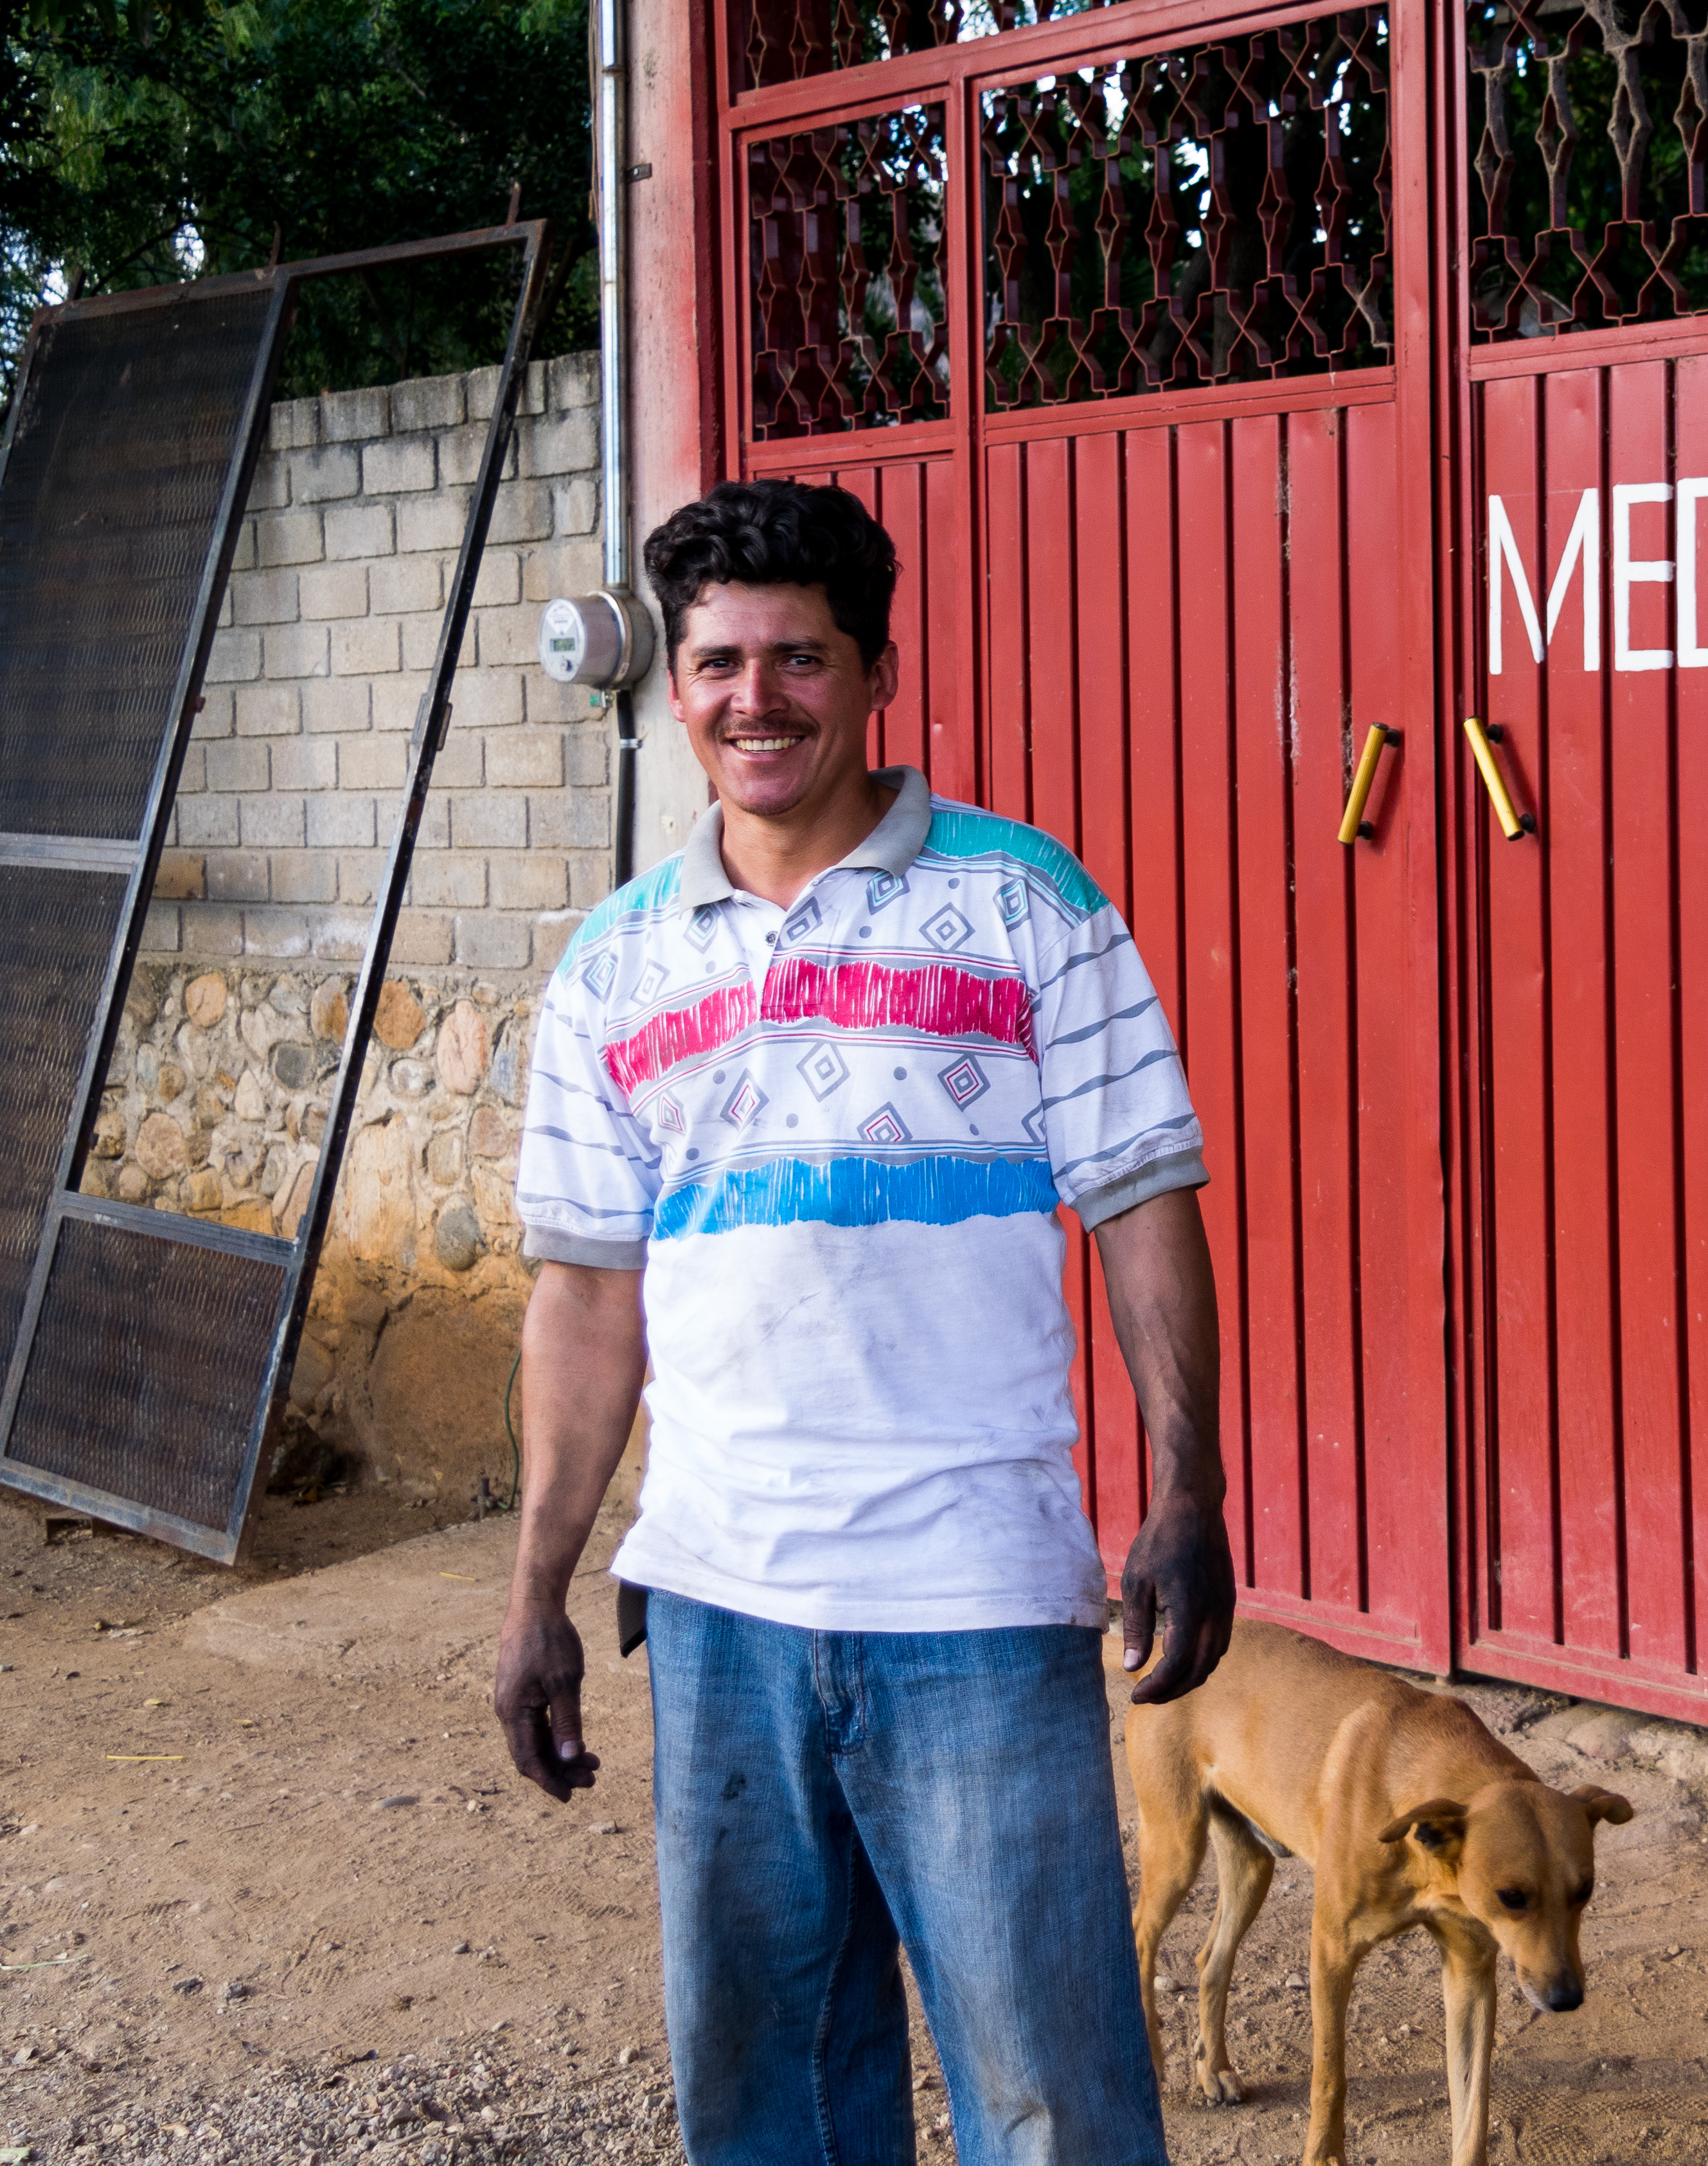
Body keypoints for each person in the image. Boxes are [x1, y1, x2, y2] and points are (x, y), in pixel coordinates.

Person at [490, 477, 1234, 2166]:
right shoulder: (613, 969)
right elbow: (589, 1297)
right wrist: (538, 1589)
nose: (760, 698)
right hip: (717, 1610)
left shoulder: (1027, 903)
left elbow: (1140, 1201)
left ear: (876, 672)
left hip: (971, 1599)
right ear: (674, 688)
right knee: (769, 2107)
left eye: (801, 658)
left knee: (1051, 2100)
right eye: (721, 663)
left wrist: (1184, 1490)